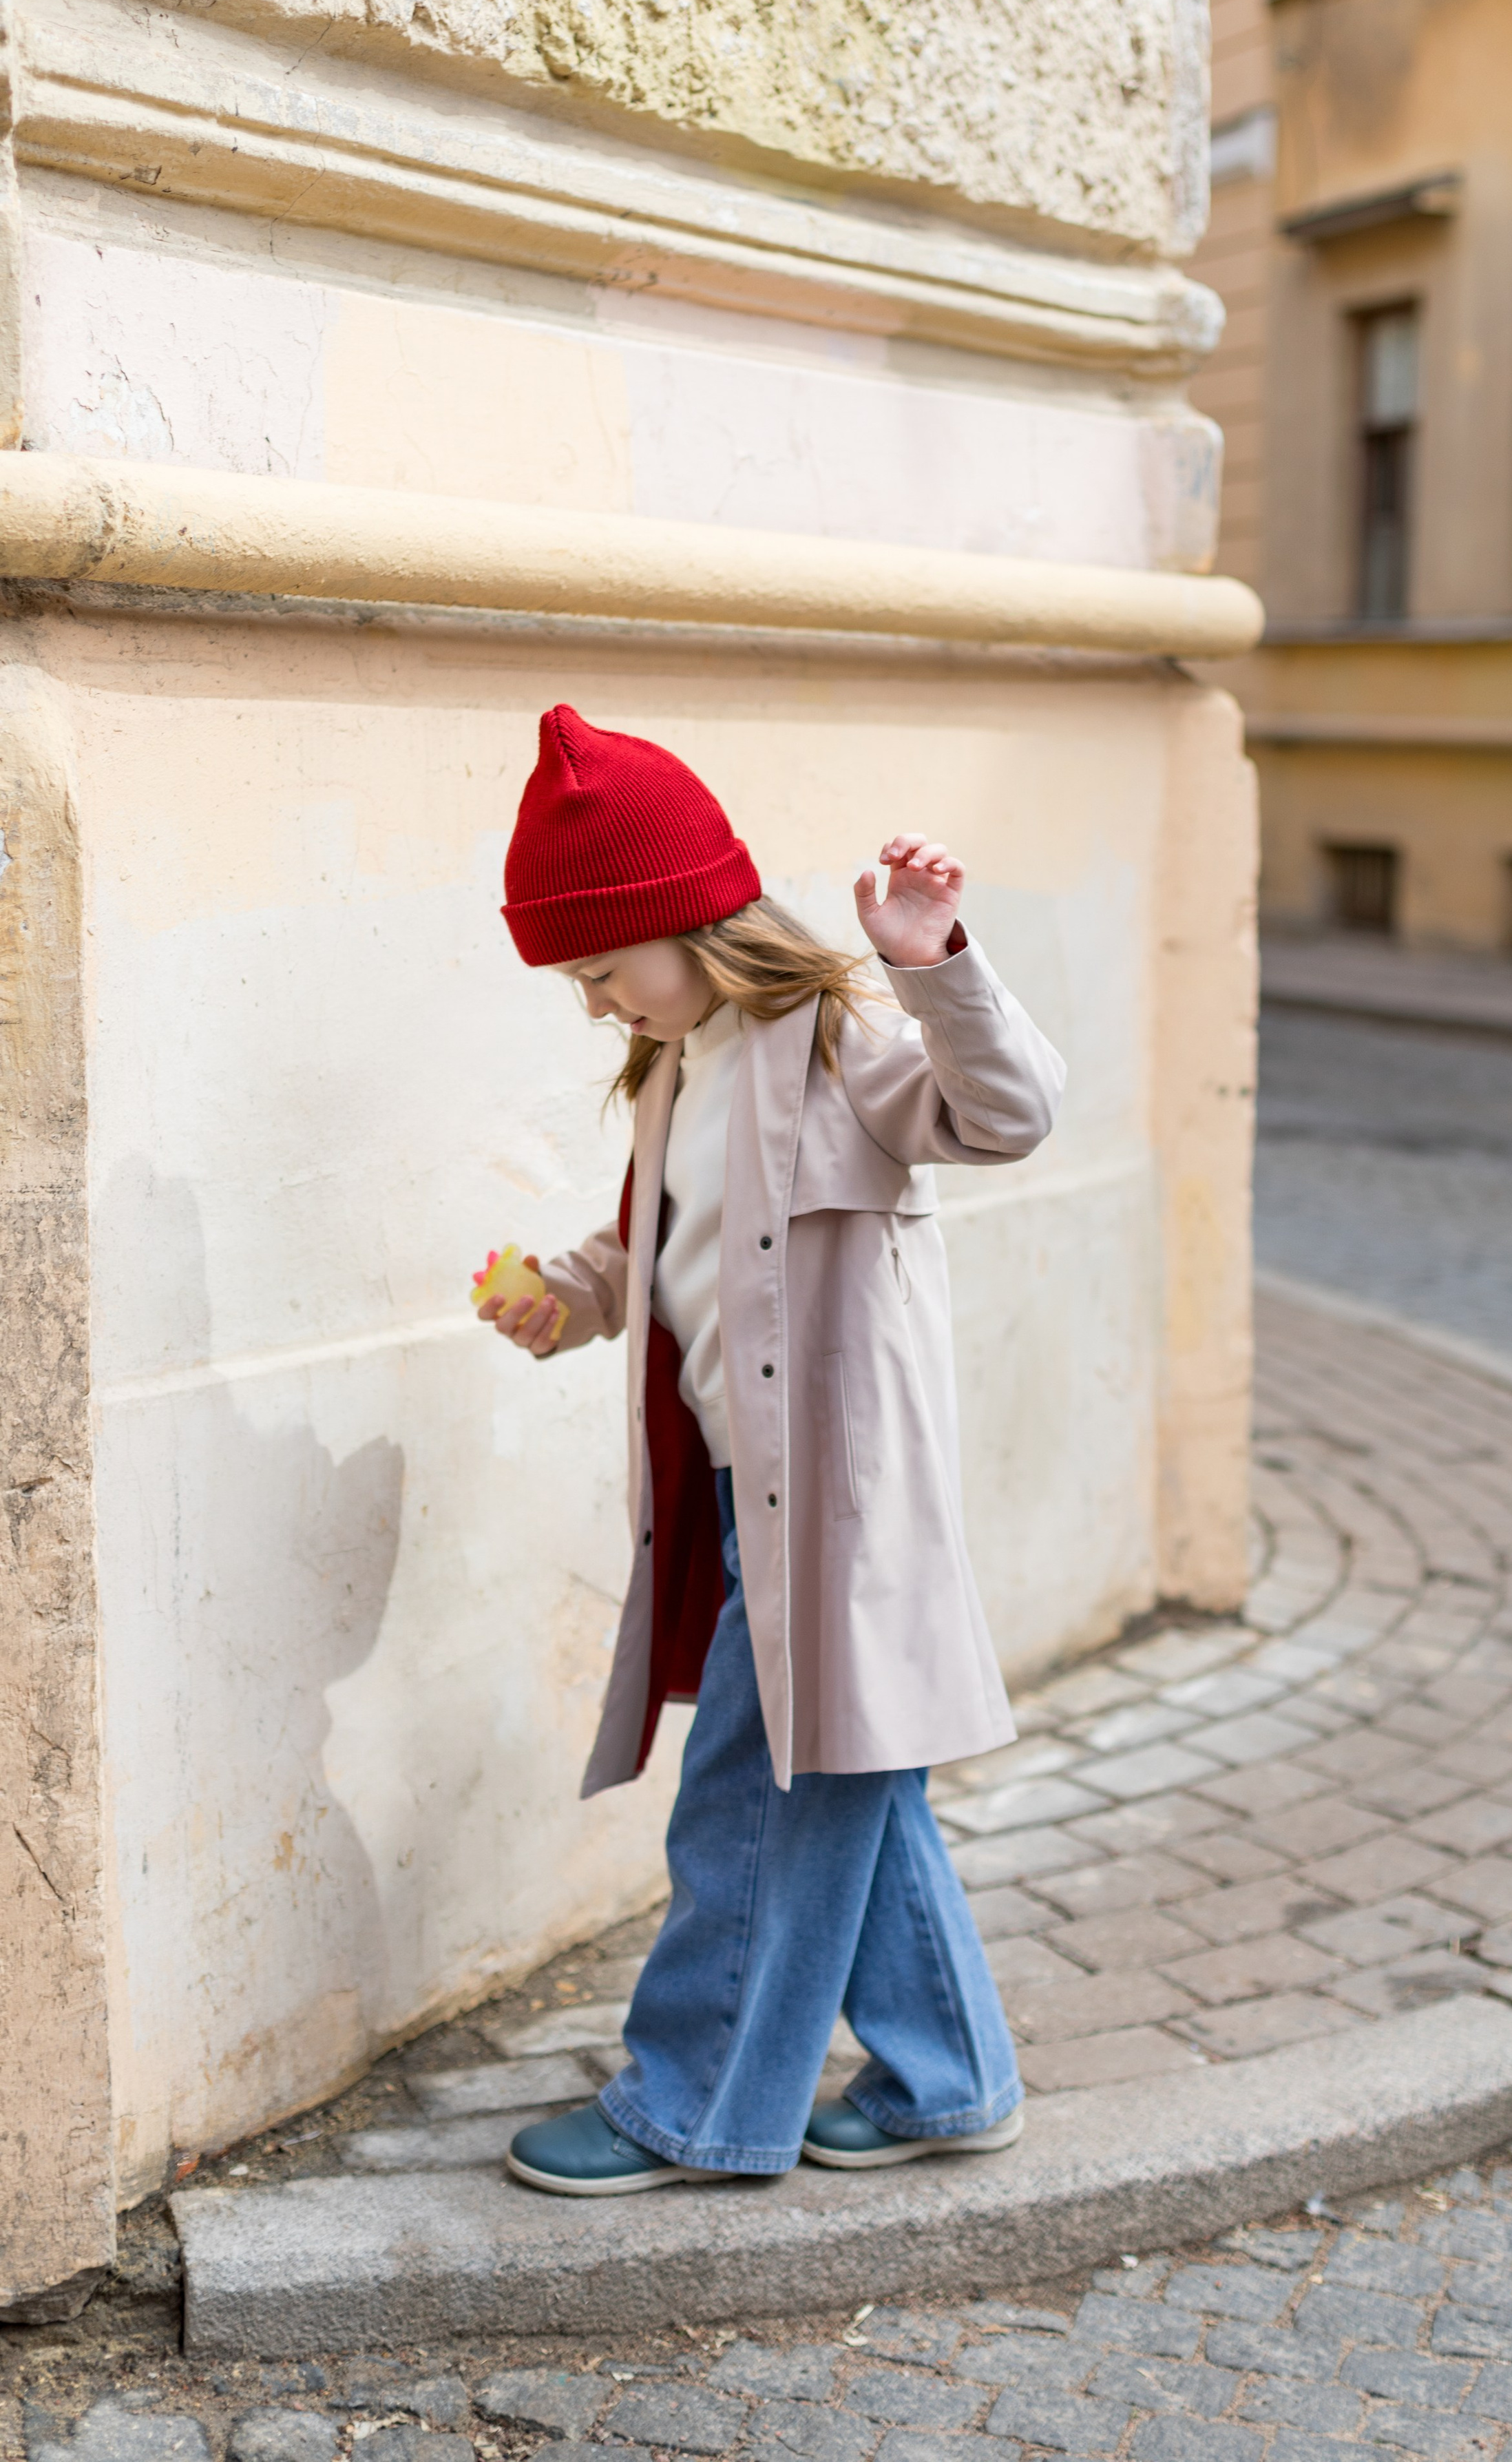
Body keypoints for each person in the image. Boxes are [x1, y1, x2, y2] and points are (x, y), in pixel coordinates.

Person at [476, 706, 1064, 2195]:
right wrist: (571, 1299)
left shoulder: (845, 1034)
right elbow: (657, 1239)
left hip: (839, 1508)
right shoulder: (680, 1068)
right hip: (744, 1492)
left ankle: (688, 2099)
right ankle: (948, 2082)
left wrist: (935, 963)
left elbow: (1006, 1116)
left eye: (605, 967)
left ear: (682, 918)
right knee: (858, 1780)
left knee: (754, 1790)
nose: (600, 1003)